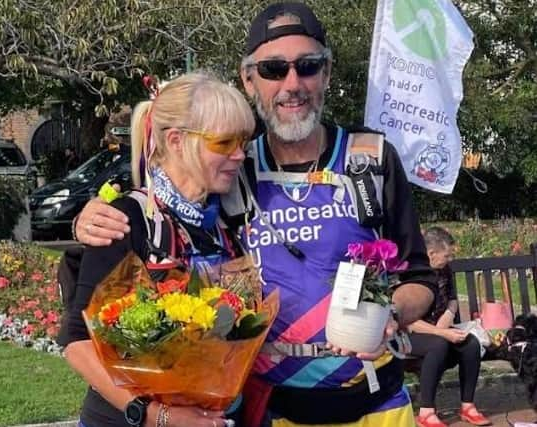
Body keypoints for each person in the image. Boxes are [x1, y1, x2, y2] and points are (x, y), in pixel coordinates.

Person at [72, 3, 436, 425]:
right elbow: (163, 191)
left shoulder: (370, 159)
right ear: (248, 80)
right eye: (273, 70)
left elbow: (420, 278)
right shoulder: (231, 168)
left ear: (328, 74)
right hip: (271, 411)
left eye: (309, 66)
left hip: (376, 404)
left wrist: (390, 315)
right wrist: (91, 216)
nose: (292, 83)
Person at [57, 72, 255, 427]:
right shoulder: (125, 219)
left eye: (245, 140)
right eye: (224, 142)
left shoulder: (227, 217)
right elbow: (76, 342)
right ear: (176, 141)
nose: (240, 154)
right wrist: (152, 415)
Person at [409, 227, 491, 427]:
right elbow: (406, 320)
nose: (450, 259)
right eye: (447, 255)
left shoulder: (445, 269)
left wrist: (448, 314)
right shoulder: (410, 272)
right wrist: (441, 332)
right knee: (439, 344)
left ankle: (468, 406)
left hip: (439, 330)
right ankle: (427, 412)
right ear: (431, 254)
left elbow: (453, 298)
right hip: (412, 335)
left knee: (470, 343)